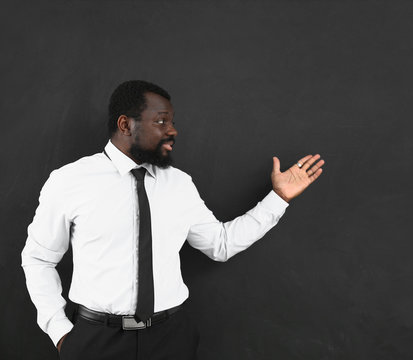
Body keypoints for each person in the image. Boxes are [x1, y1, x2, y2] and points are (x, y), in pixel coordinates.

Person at [21, 80, 325, 359]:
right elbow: (38, 259)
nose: (173, 130)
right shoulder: (70, 181)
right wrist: (60, 332)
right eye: (161, 121)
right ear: (126, 124)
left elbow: (220, 245)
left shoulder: (178, 184)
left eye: (172, 121)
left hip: (170, 340)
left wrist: (279, 198)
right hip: (97, 342)